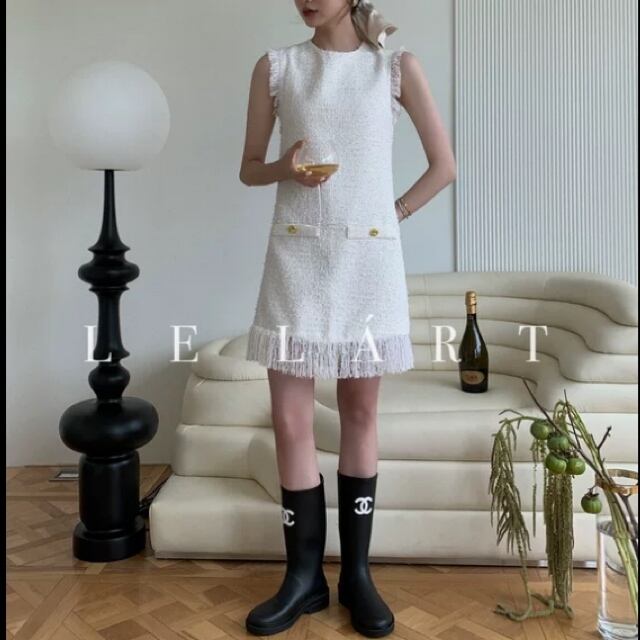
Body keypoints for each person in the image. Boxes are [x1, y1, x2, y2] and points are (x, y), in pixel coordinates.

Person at [239, 0, 456, 636]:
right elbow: (249, 167)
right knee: (289, 419)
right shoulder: (276, 67)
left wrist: (394, 214)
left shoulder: (396, 67)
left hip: (368, 262)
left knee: (360, 413)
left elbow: (444, 167)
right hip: (295, 256)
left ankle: (356, 575)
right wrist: (284, 169)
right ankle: (302, 578)